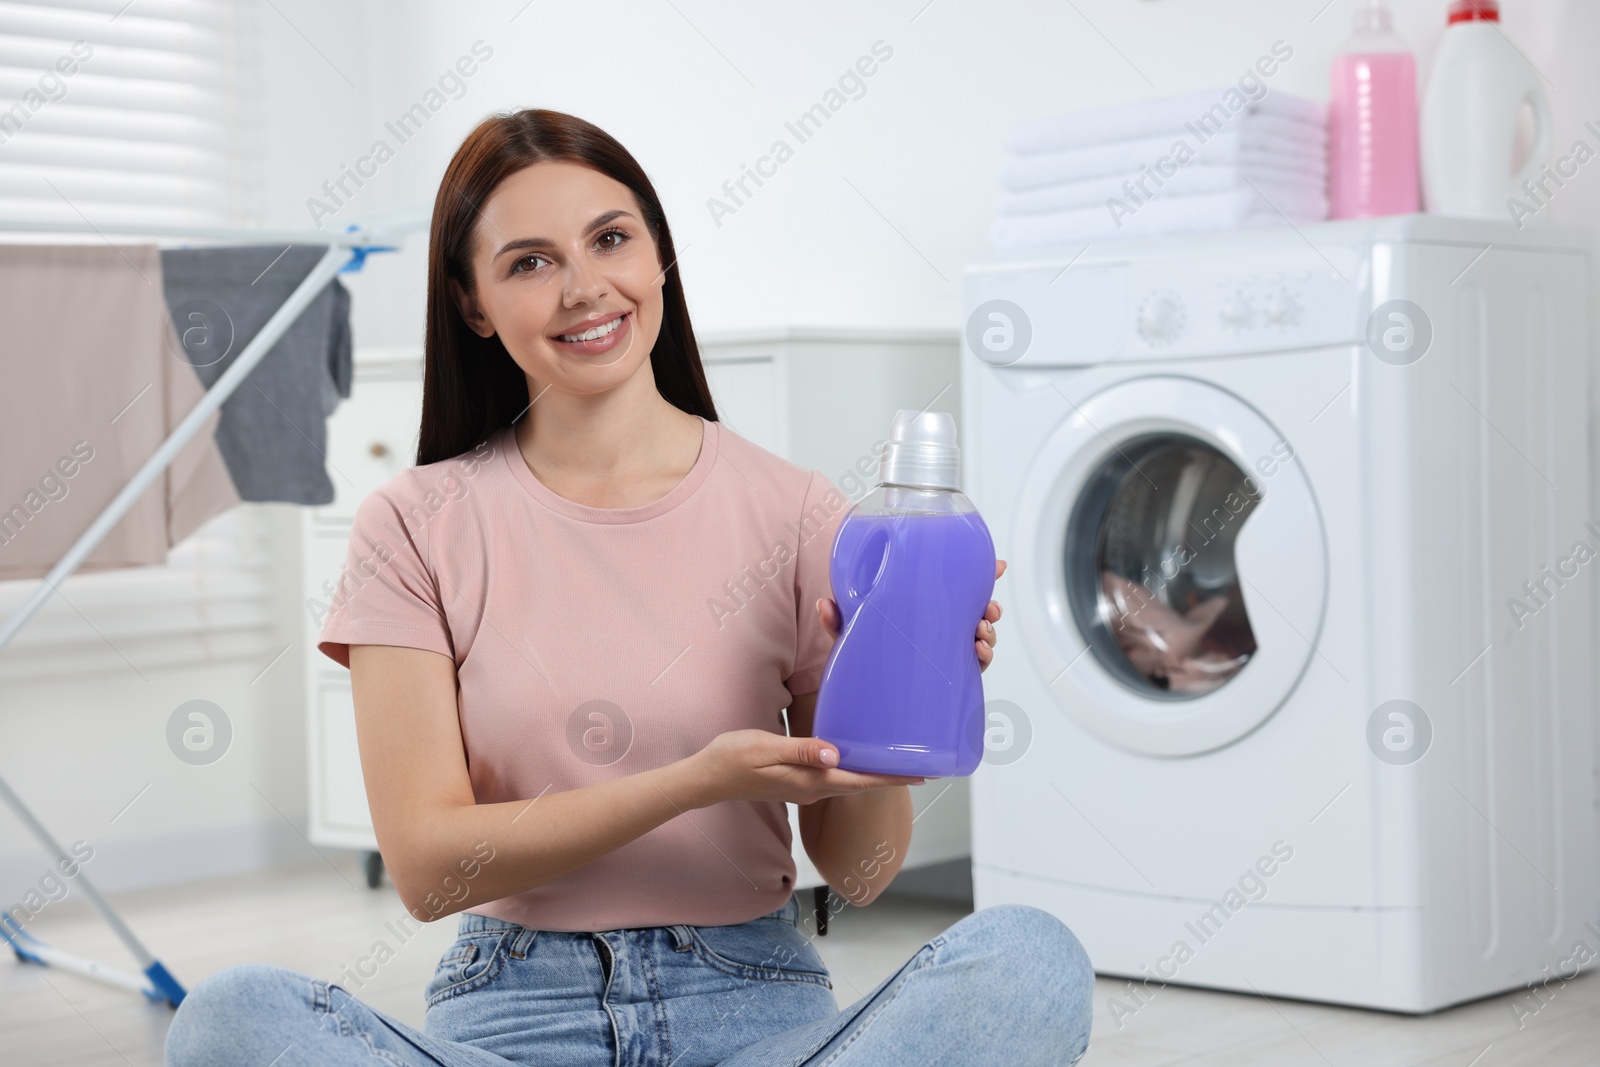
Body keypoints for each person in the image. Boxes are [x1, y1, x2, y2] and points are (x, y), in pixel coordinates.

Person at [165, 107, 1094, 1067]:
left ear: (658, 258)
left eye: (611, 239)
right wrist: (694, 782)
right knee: (233, 1018)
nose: (584, 287)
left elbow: (859, 873)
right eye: (529, 262)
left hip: (754, 1008)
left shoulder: (802, 512)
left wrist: (901, 707)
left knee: (1029, 958)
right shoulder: (415, 523)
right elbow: (429, 870)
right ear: (474, 303)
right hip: (516, 1015)